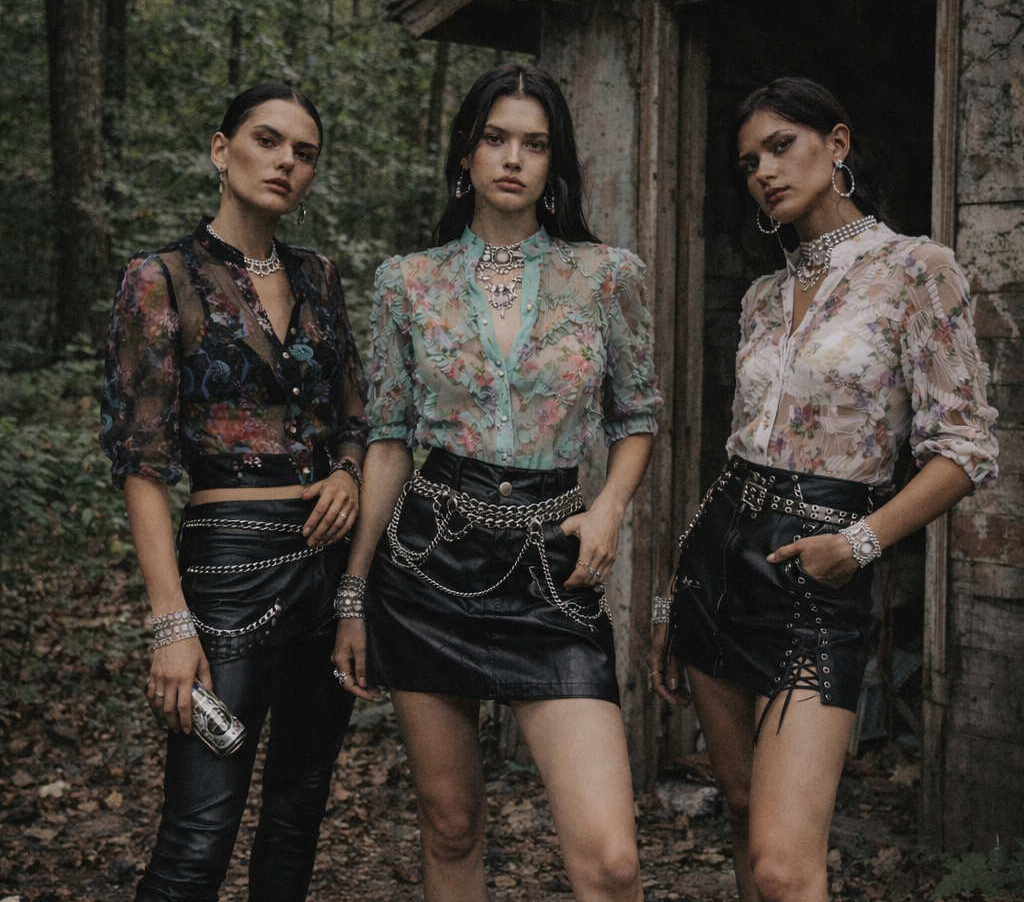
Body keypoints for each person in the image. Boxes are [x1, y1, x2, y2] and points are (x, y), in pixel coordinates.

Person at [649, 77, 999, 902]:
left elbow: (967, 445)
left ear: (836, 144)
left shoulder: (919, 270)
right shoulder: (762, 296)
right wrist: (674, 596)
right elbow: (739, 452)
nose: (764, 171)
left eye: (781, 146)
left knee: (782, 863)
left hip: (821, 571)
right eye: (748, 163)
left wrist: (862, 543)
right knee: (739, 811)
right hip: (719, 565)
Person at [331, 62, 663, 902]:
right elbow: (390, 438)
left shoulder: (606, 274)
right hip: (428, 564)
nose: (513, 157)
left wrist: (610, 508)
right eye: (496, 137)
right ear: (467, 153)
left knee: (613, 863)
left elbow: (638, 415)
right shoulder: (408, 281)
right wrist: (353, 589)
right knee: (450, 824)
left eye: (535, 143)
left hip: (554, 571)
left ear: (557, 164)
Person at [100, 83, 368, 902]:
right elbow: (141, 463)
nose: (286, 160)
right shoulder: (161, 279)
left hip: (325, 567)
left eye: (304, 151)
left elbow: (360, 417)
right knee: (199, 833)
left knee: (296, 818)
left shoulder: (320, 277)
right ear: (223, 150)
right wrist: (170, 625)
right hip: (229, 573)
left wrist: (351, 473)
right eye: (267, 139)